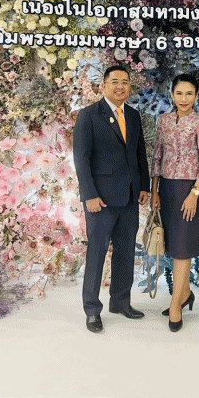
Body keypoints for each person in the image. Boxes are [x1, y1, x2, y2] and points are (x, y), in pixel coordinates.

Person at [73, 65, 150, 333]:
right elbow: (81, 159)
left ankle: (120, 301)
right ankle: (92, 310)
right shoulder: (89, 115)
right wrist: (90, 195)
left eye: (125, 82)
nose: (120, 86)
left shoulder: (133, 115)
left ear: (130, 87)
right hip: (101, 200)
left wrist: (143, 186)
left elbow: (140, 154)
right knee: (97, 253)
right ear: (104, 86)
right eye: (115, 82)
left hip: (129, 196)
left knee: (126, 252)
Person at [150, 73, 199, 332]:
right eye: (179, 93)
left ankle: (176, 303)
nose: (184, 98)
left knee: (183, 248)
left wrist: (195, 193)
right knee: (172, 245)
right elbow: (157, 156)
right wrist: (154, 191)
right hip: (166, 188)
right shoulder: (164, 121)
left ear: (196, 96)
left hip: (190, 190)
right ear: (172, 95)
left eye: (189, 94)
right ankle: (185, 293)